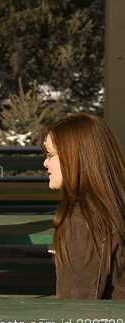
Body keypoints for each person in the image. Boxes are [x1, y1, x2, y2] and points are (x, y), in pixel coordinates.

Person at [42, 113, 125, 299]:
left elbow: (75, 311)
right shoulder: (112, 206)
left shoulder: (84, 220)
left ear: (76, 157)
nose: (45, 163)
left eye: (50, 154)